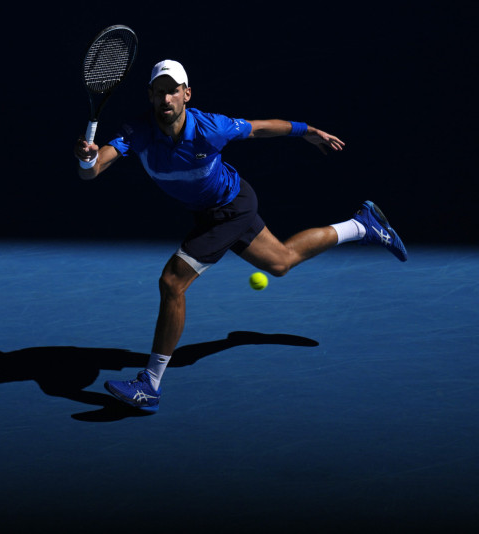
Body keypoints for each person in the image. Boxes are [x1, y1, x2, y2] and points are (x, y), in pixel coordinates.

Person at [72, 59, 408, 413]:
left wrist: (307, 130)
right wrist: (86, 159)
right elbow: (92, 171)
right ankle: (363, 225)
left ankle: (150, 384)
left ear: (187, 94)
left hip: (232, 207)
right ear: (150, 96)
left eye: (173, 91)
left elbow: (259, 128)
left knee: (172, 281)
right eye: (159, 92)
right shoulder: (137, 131)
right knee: (280, 263)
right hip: (212, 211)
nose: (166, 99)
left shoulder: (210, 128)